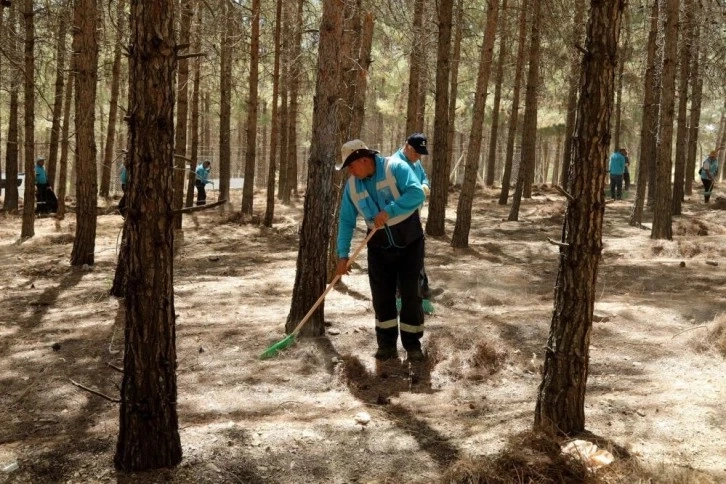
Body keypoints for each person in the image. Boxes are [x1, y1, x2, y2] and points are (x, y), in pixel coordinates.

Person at [335, 139, 426, 364]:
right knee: (381, 297)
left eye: (351, 165)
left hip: (410, 243)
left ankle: (413, 345)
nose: (350, 170)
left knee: (411, 295)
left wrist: (390, 210)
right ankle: (386, 345)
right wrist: (342, 255)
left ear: (363, 160)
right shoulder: (352, 186)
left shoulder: (395, 167)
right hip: (378, 247)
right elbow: (346, 221)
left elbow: (417, 194)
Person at [392, 133, 432, 308]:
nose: (418, 157)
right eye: (416, 152)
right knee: (401, 257)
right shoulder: (394, 164)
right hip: (399, 219)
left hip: (415, 216)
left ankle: (421, 292)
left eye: (421, 153)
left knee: (417, 255)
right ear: (407, 145)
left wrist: (425, 186)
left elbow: (424, 177)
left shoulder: (416, 163)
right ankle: (400, 295)